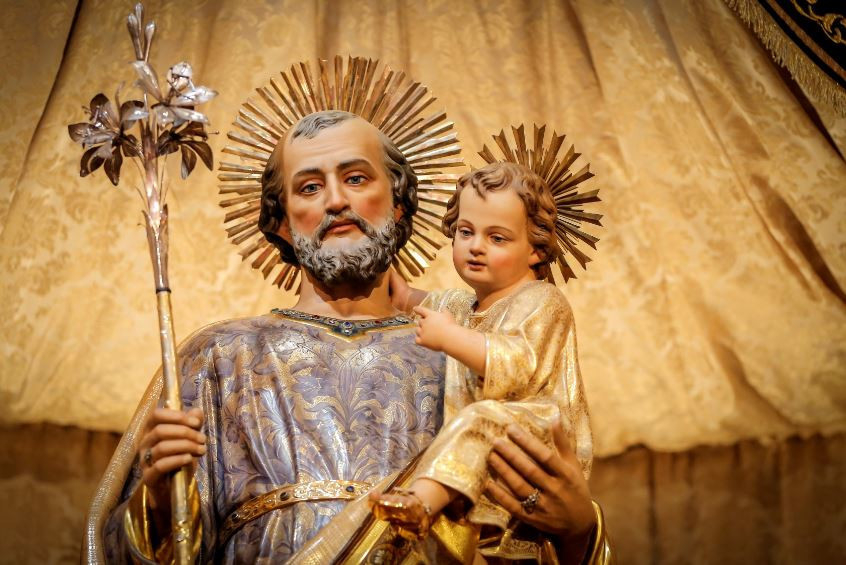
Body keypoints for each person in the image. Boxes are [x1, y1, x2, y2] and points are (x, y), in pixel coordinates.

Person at [85, 111, 608, 564]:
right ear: (283, 223)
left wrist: (578, 533)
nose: (337, 200)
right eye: (310, 187)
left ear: (398, 204)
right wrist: (158, 503)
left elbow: (513, 532)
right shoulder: (220, 357)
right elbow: (128, 553)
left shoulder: (462, 349)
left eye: (356, 178)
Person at [371, 161, 596, 561]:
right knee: (477, 423)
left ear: (535, 250)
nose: (476, 246)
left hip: (534, 438)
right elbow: (411, 300)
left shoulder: (542, 301)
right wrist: (380, 261)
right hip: (490, 442)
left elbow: (518, 365)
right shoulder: (461, 305)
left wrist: (450, 338)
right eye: (465, 232)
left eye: (497, 237)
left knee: (479, 418)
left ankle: (419, 504)